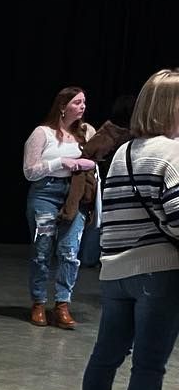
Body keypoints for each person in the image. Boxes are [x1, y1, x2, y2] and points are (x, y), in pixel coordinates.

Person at [75, 69, 179, 390]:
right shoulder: (172, 153)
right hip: (158, 271)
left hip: (116, 272)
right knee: (149, 363)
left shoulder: (123, 153)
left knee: (106, 354)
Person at [23, 87, 96, 327]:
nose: (82, 106)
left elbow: (95, 160)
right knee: (42, 250)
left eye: (84, 102)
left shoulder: (86, 132)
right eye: (77, 102)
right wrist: (61, 162)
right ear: (63, 106)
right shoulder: (42, 133)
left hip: (74, 194)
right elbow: (29, 171)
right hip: (46, 193)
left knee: (69, 251)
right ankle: (38, 302)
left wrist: (88, 165)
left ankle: (62, 304)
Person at [67, 95, 137, 267]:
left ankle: (95, 257)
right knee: (100, 221)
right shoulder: (114, 133)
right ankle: (91, 257)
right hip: (110, 183)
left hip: (115, 182)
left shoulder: (115, 131)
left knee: (103, 221)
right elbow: (89, 154)